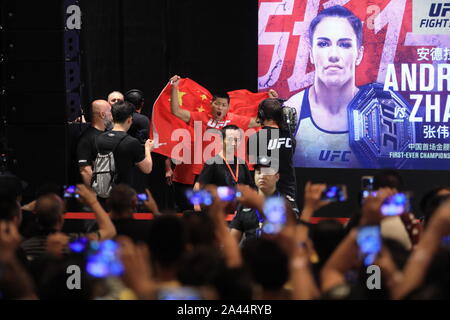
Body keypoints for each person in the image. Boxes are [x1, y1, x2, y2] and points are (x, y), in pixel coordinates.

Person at [168, 75, 276, 211]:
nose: (220, 107)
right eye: (217, 104)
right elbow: (176, 111)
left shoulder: (234, 119)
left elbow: (258, 121)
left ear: (228, 107)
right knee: (203, 208)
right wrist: (175, 87)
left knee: (226, 208)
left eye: (224, 105)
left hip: (225, 171)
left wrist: (270, 102)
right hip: (204, 170)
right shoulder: (199, 117)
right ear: (211, 103)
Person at [283, 5, 365, 168]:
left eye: (344, 45)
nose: (333, 55)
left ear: (359, 54)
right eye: (323, 44)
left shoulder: (381, 117)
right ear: (311, 53)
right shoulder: (293, 111)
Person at [20, 185, 116, 262]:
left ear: (36, 217)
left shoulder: (23, 248)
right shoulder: (76, 243)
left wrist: (26, 208)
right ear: (61, 219)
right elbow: (109, 231)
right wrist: (92, 201)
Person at [229, 156, 297, 246]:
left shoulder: (286, 203)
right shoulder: (245, 203)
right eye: (258, 172)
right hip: (250, 256)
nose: (262, 176)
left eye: (267, 172)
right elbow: (232, 240)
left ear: (277, 177)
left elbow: (294, 235)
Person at [94, 101, 154, 191]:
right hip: (123, 193)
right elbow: (147, 168)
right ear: (129, 119)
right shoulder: (131, 142)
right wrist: (147, 149)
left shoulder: (99, 138)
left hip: (102, 190)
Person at [248, 98, 297, 200]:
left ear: (261, 115)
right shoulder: (290, 138)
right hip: (288, 195)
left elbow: (253, 166)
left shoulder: (254, 138)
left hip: (264, 196)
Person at [77, 100, 113, 187]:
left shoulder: (106, 135)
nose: (113, 116)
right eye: (111, 112)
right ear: (102, 114)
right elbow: (85, 170)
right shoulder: (87, 139)